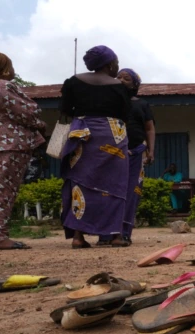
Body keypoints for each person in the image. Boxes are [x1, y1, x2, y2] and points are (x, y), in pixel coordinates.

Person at [59, 45, 131, 248]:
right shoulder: (119, 86)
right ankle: (116, 235)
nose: (117, 65)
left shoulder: (73, 82)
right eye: (116, 62)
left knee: (80, 184)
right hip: (113, 135)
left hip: (82, 134)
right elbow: (125, 114)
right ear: (109, 64)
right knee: (115, 185)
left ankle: (78, 237)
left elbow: (65, 109)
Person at [0, 51, 46, 250]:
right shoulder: (2, 86)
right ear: (3, 68)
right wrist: (40, 124)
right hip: (7, 145)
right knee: (1, 191)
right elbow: (28, 112)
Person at [98, 68, 155, 246]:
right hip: (111, 155)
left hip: (136, 154)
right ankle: (105, 235)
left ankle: (123, 233)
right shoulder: (107, 102)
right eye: (119, 77)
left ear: (135, 84)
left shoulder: (142, 104)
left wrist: (151, 151)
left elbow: (149, 129)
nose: (121, 80)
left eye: (127, 78)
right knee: (107, 193)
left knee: (131, 193)